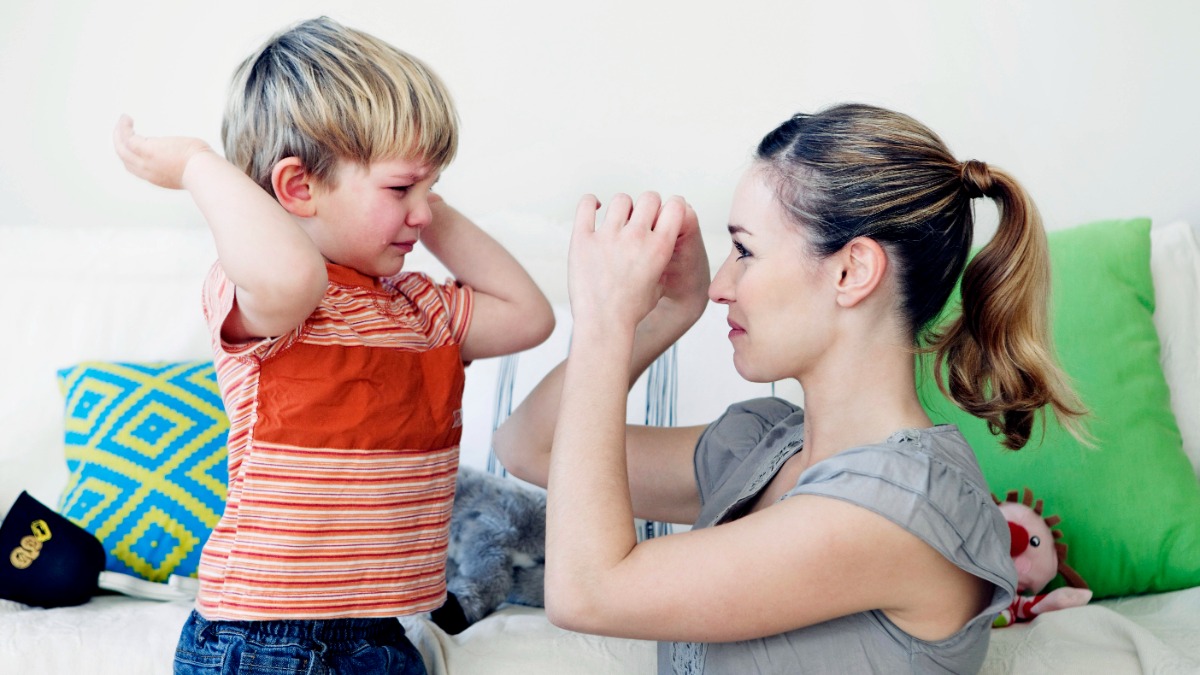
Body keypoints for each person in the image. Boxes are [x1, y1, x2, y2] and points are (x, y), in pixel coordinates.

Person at [492, 103, 1086, 674]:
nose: (721, 285)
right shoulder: (767, 444)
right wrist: (669, 312)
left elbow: (587, 593)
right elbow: (528, 446)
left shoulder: (900, 510)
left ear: (852, 272)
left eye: (745, 250)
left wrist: (604, 323)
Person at [113, 17, 554, 675]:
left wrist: (416, 191)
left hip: (382, 632)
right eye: (403, 189)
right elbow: (295, 272)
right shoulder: (269, 297)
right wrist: (197, 166)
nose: (426, 213)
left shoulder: (419, 307)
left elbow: (529, 316)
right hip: (262, 637)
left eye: (432, 188)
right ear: (297, 188)